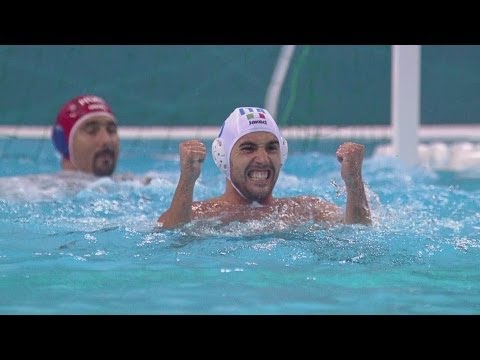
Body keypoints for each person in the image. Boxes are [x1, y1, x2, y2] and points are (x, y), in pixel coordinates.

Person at [157, 106, 371, 229]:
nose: (263, 158)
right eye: (248, 148)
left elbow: (357, 233)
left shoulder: (308, 209)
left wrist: (354, 183)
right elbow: (171, 235)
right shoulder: (198, 213)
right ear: (223, 157)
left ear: (282, 154)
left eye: (271, 148)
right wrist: (187, 180)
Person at [52, 94, 119, 176]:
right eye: (92, 131)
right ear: (64, 143)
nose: (106, 140)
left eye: (111, 130)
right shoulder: (40, 188)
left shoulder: (134, 183)